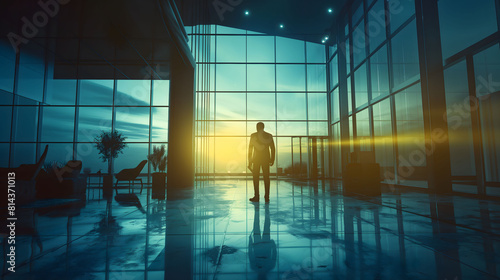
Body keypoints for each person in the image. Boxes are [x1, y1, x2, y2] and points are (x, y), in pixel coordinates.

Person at [248, 122, 275, 203]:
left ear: (257, 127)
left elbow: (250, 149)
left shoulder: (253, 135)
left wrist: (250, 161)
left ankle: (257, 196)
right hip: (266, 159)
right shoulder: (269, 135)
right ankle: (267, 197)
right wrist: (272, 159)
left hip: (256, 159)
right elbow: (272, 148)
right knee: (266, 178)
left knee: (255, 178)